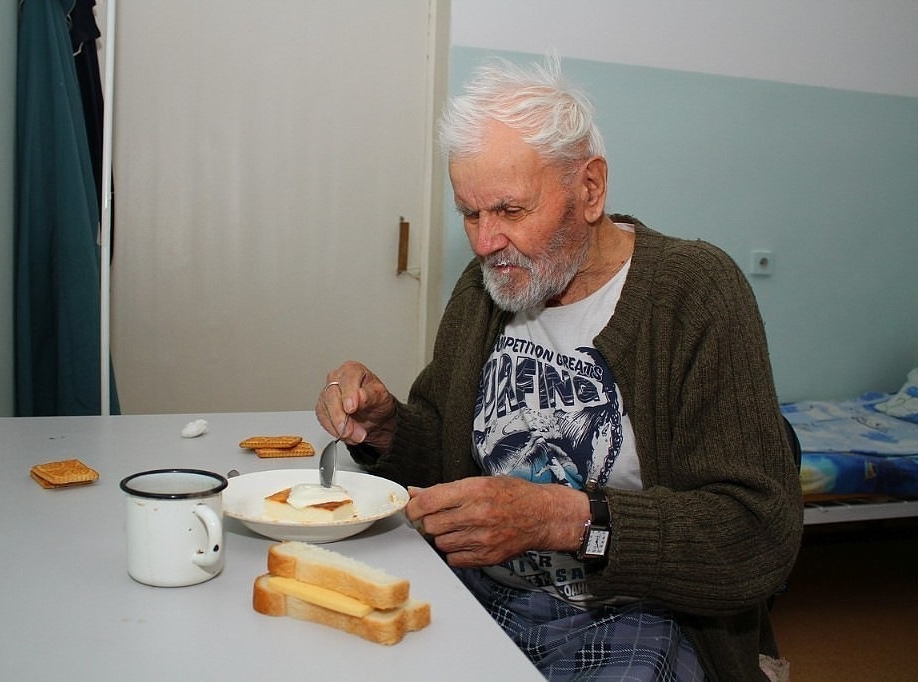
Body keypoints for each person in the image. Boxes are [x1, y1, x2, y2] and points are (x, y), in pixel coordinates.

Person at [316, 56, 802, 682]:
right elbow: (448, 459)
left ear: (590, 190)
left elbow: (757, 537)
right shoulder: (485, 286)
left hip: (637, 614)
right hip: (480, 591)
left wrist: (562, 518)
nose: (486, 241)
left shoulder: (694, 292)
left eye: (511, 211)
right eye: (470, 212)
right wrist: (386, 430)